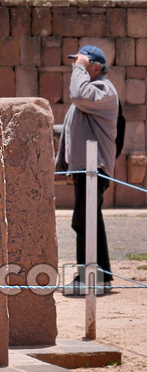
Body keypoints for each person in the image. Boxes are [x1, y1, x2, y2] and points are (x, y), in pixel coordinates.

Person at [55, 45, 118, 293]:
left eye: (82, 64)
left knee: (85, 221)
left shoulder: (103, 90)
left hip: (95, 168)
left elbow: (78, 95)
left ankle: (91, 278)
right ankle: (99, 277)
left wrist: (78, 72)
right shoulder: (92, 94)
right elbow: (75, 127)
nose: (76, 67)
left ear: (95, 68)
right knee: (89, 220)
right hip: (86, 168)